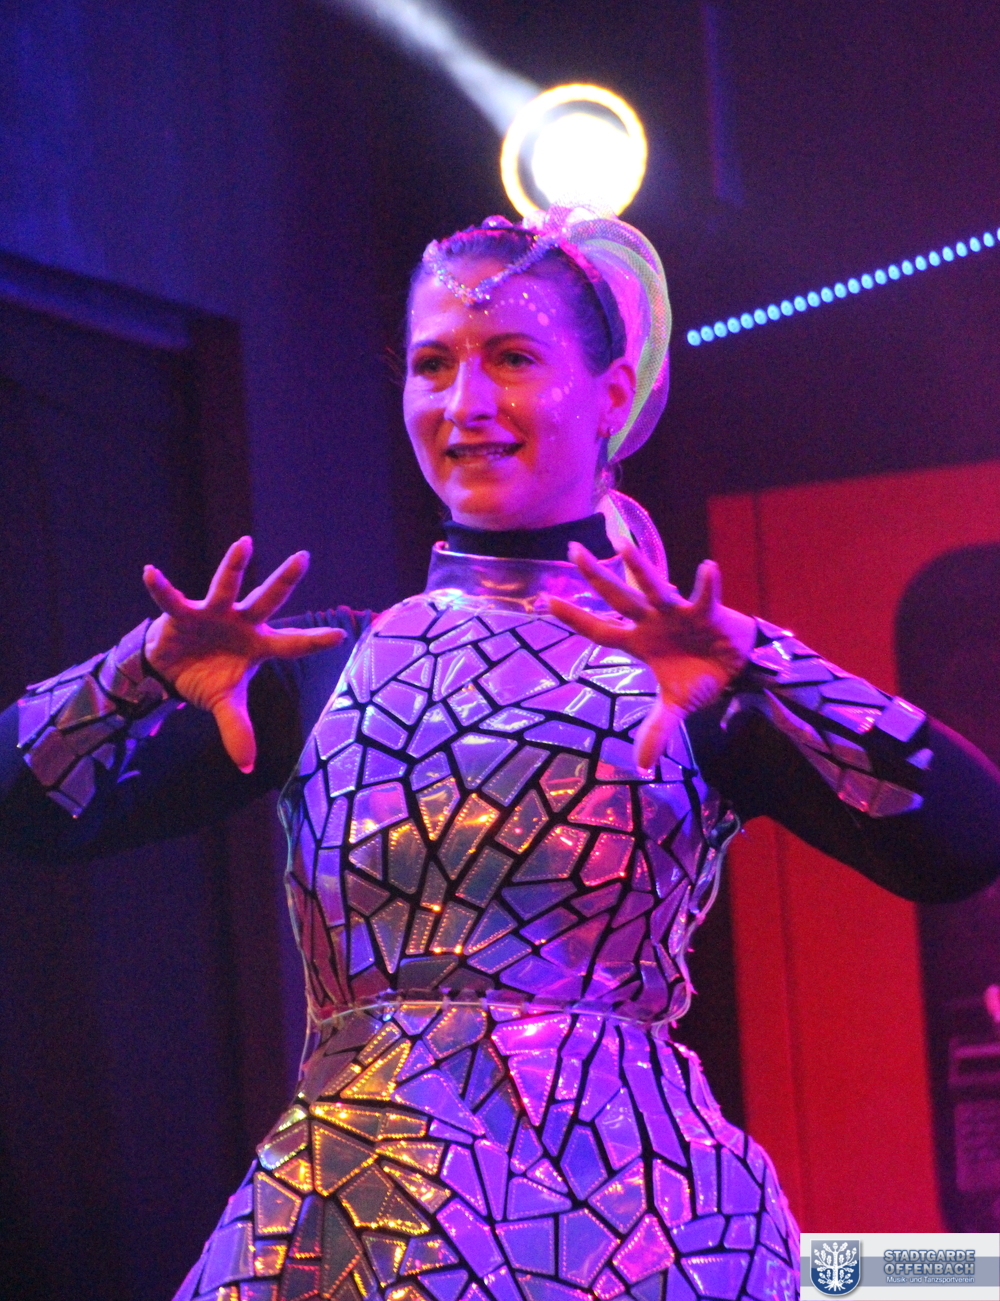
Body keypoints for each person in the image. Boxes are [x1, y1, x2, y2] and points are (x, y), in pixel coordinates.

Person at [5, 207, 1000, 1301]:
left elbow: (964, 840)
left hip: (641, 1239)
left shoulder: (685, 680)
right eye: (433, 364)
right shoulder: (325, 672)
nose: (466, 404)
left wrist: (767, 664)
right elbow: (23, 814)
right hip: (349, 1233)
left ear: (610, 395)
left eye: (513, 358)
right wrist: (136, 672)